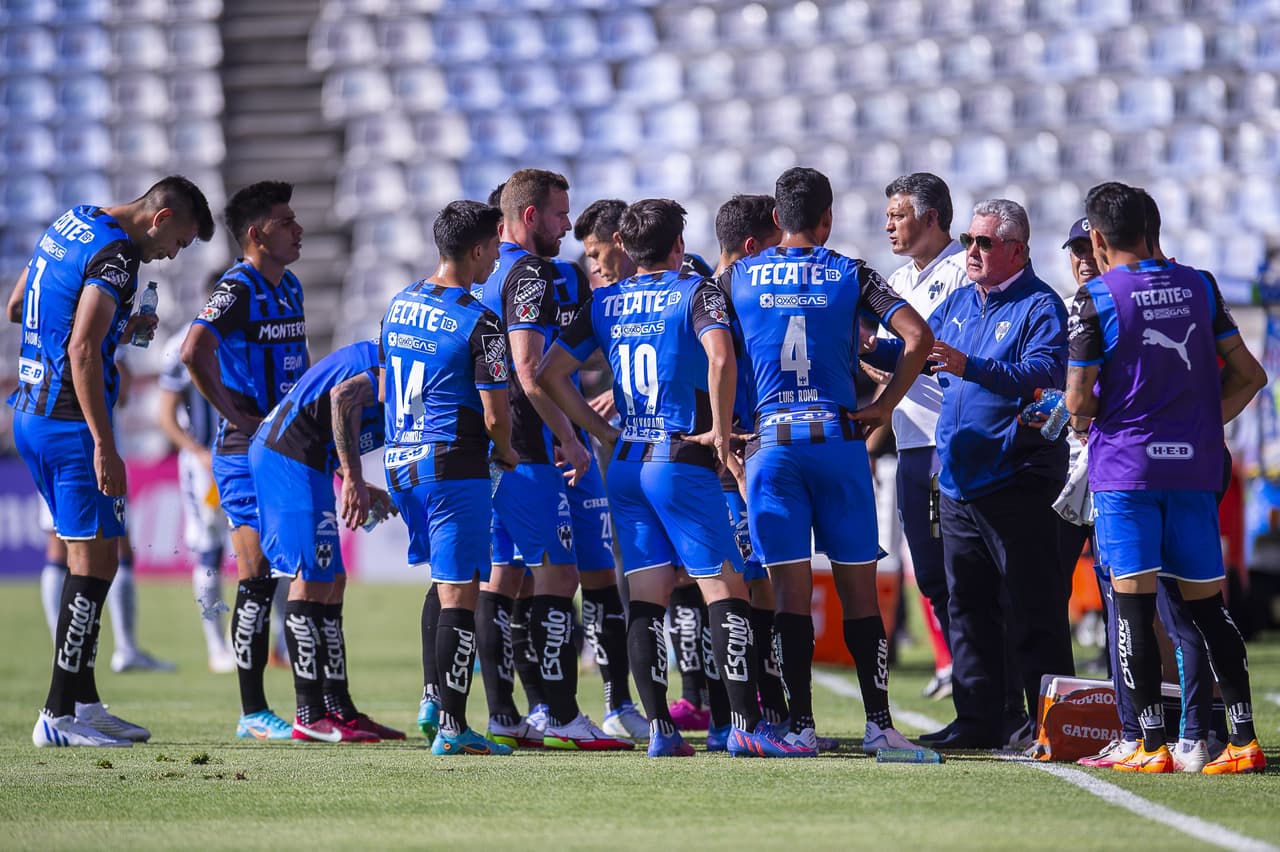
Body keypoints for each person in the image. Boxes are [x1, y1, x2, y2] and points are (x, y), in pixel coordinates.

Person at [537, 197, 814, 758]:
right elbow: (721, 358)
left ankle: (661, 729)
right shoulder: (694, 291)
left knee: (646, 597)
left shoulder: (605, 300)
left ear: (625, 246)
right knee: (725, 588)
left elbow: (549, 373)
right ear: (678, 245)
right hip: (678, 456)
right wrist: (720, 433)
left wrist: (601, 430)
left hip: (626, 462)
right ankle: (743, 725)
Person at [726, 168, 932, 754]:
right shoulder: (851, 272)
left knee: (789, 598)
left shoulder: (739, 276)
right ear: (828, 218)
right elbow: (918, 337)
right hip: (839, 444)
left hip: (772, 448)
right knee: (860, 593)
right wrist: (884, 406)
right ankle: (880, 725)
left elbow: (712, 347)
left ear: (775, 219)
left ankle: (800, 727)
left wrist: (721, 431)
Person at [1065, 181, 1267, 774]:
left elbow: (1077, 400)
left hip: (1128, 470)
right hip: (1194, 468)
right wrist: (1200, 424)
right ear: (1153, 229)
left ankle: (1151, 745)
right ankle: (1243, 741)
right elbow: (1251, 375)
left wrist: (1087, 418)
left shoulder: (1096, 297)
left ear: (1097, 238)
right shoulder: (1200, 285)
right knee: (1208, 608)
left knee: (1131, 607)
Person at [9, 175, 214, 747]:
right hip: (70, 422)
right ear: (161, 217)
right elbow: (80, 348)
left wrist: (117, 330)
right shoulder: (119, 255)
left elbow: (18, 306)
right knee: (93, 562)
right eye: (179, 241)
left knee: (94, 559)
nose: (172, 254)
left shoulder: (72, 220)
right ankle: (57, 714)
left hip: (31, 412)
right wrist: (104, 443)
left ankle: (83, 701)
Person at [866, 198, 1075, 749]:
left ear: (1017, 250)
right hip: (959, 478)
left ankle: (1049, 724)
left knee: (1031, 605)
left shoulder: (1040, 305)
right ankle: (980, 719)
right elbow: (917, 352)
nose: (973, 251)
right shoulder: (960, 301)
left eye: (985, 242)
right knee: (967, 608)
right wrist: (871, 347)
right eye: (969, 241)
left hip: (1017, 476)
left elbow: (1044, 373)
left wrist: (970, 365)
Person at [474, 169, 630, 750]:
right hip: (535, 448)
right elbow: (528, 369)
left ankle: (517, 712)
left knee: (513, 577)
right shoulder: (530, 274)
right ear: (530, 215)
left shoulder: (491, 274)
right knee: (554, 576)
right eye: (561, 215)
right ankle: (558, 711)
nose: (568, 226)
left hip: (507, 448)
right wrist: (574, 434)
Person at [381, 200, 519, 755]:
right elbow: (496, 415)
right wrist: (506, 453)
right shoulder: (481, 321)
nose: (496, 261)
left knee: (444, 581)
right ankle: (454, 727)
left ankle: (432, 697)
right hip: (453, 464)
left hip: (401, 461)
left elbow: (387, 387)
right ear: (478, 250)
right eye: (494, 250)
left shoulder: (400, 303)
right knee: (462, 594)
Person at [181, 180, 309, 740]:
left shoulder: (291, 287)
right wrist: (237, 415)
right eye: (286, 222)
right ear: (257, 234)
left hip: (287, 447)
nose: (298, 229)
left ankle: (320, 706)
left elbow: (300, 359)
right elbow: (193, 349)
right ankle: (253, 710)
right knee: (255, 576)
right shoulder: (235, 290)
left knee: (301, 572)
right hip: (243, 452)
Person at [248, 339, 405, 742]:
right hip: (288, 459)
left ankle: (339, 708)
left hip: (311, 460)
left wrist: (356, 479)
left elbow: (324, 420)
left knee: (333, 579)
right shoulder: (394, 361)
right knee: (311, 579)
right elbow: (341, 398)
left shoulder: (397, 362)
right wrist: (352, 478)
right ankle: (309, 714)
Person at [878, 173, 969, 700]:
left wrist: (893, 357)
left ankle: (985, 688)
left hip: (948, 441)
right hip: (910, 440)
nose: (889, 225)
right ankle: (964, 681)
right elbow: (894, 363)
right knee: (931, 575)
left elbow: (940, 355)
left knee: (960, 574)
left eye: (899, 215)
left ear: (931, 218)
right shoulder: (895, 279)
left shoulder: (963, 272)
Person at [158, 326, 235, 673]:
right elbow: (166, 416)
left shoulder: (248, 332)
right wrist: (198, 452)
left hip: (247, 459)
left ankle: (276, 641)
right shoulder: (181, 345)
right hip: (205, 466)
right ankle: (217, 646)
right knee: (209, 550)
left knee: (266, 548)